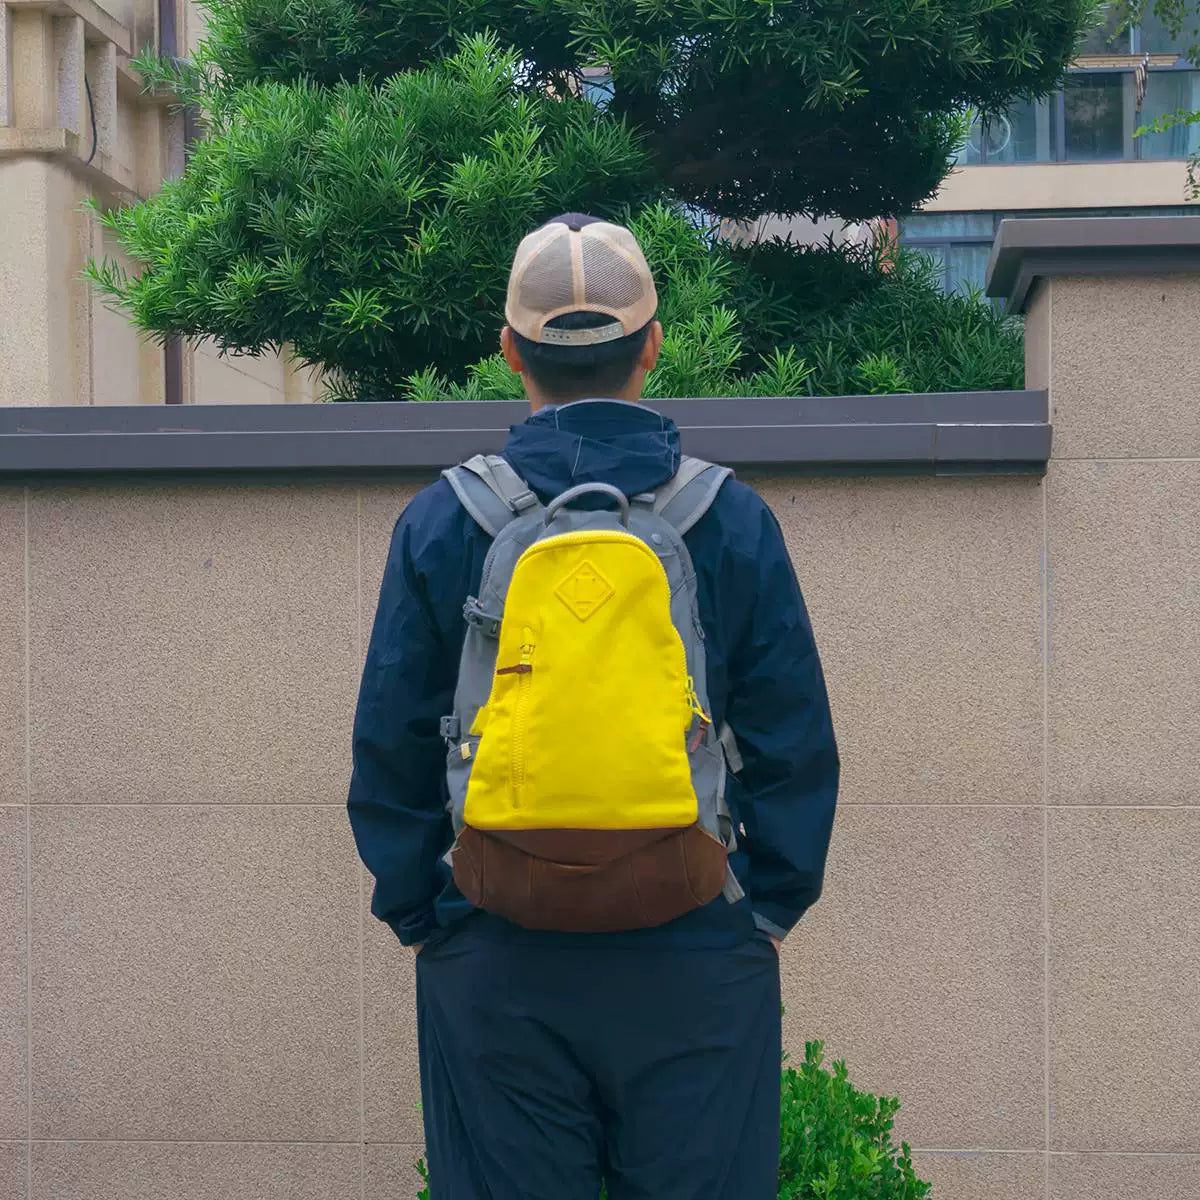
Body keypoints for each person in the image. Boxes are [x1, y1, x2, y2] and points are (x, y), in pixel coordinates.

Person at [348, 213, 839, 1199]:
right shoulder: (729, 518)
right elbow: (792, 741)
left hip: (494, 942)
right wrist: (766, 908)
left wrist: (426, 914)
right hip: (693, 938)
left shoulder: (445, 520)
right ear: (652, 345)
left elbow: (391, 745)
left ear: (509, 350)